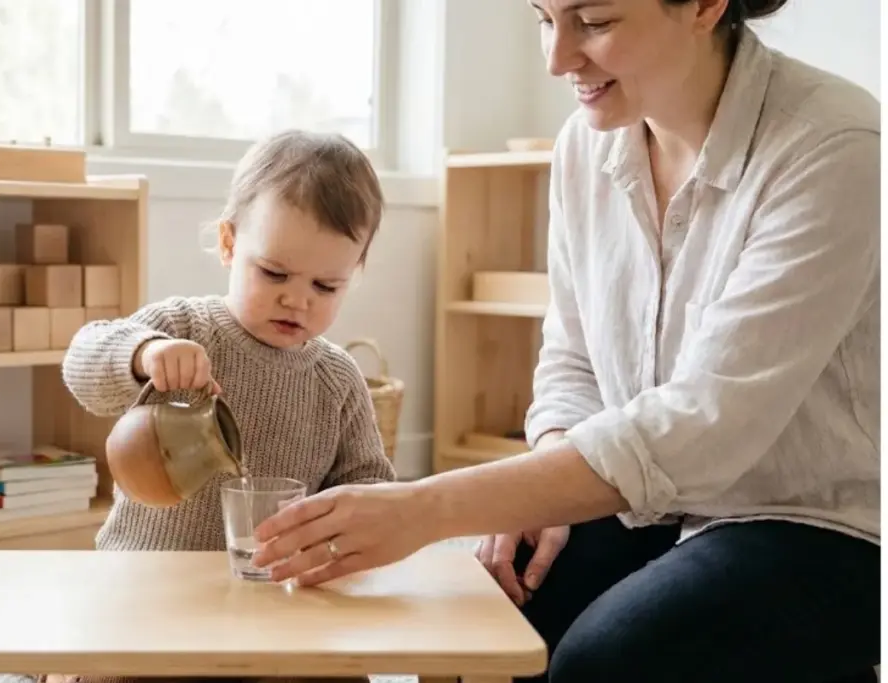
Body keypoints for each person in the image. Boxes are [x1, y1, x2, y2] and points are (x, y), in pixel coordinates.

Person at [249, 1, 881, 682]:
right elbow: (572, 358)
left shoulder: (833, 142)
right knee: (480, 615)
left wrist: (425, 505)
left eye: (596, 21)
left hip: (819, 527)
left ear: (703, 5)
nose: (557, 58)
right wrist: (542, 484)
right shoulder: (588, 145)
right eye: (544, 18)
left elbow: (708, 424)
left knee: (599, 663)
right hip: (649, 503)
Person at [42, 129, 396, 683]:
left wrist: (340, 530)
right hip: (147, 592)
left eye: (326, 286)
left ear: (353, 277)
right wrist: (144, 355)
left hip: (273, 604)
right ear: (229, 245)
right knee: (104, 671)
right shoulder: (180, 328)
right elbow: (81, 363)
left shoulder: (337, 380)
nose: (296, 299)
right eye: (274, 273)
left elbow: (369, 487)